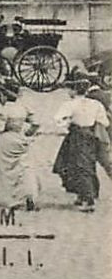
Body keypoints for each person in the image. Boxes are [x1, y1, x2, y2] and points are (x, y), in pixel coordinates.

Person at [52, 78, 109, 212]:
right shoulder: (95, 104)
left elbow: (58, 119)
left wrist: (69, 122)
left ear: (74, 90)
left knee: (76, 166)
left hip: (76, 135)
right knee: (87, 165)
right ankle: (84, 194)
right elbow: (104, 122)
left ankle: (87, 199)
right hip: (90, 135)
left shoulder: (70, 104)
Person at [0, 85, 40, 215]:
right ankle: (28, 195)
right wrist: (27, 134)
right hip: (20, 138)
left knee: (5, 169)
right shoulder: (23, 107)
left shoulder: (4, 110)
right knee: (23, 168)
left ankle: (10, 197)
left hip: (6, 140)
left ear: (4, 96)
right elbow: (36, 123)